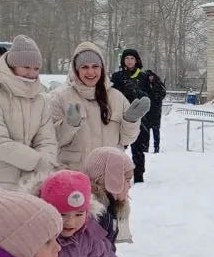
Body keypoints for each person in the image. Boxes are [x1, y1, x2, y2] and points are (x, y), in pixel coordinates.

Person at [0, 35, 59, 192]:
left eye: (36, 68)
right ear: (12, 66)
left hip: (31, 184)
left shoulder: (40, 101)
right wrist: (36, 161)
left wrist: (45, 164)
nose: (31, 73)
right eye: (26, 67)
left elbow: (47, 140)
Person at [52, 42, 148, 174]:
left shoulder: (117, 98)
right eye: (84, 67)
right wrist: (69, 125)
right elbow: (54, 141)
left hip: (110, 176)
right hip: (75, 176)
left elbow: (126, 140)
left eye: (95, 66)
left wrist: (130, 121)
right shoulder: (60, 97)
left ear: (102, 68)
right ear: (76, 69)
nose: (91, 72)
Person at [109, 48, 165, 181]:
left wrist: (137, 91)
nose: (129, 61)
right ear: (123, 60)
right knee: (117, 149)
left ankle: (139, 176)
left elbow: (153, 96)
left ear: (136, 60)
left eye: (132, 58)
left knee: (138, 149)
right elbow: (111, 95)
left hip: (139, 119)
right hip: (120, 118)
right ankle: (115, 176)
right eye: (127, 58)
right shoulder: (117, 76)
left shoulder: (144, 76)